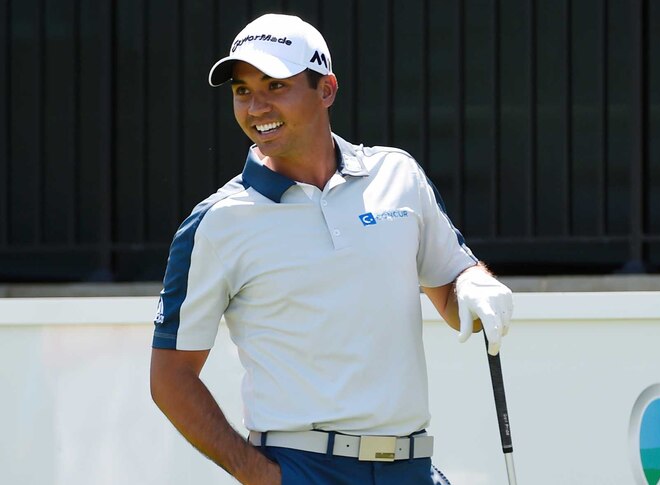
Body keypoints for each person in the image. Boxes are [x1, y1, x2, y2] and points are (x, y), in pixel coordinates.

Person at [150, 13, 513, 485]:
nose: (256, 107)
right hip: (304, 467)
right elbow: (170, 377)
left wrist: (474, 284)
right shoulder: (218, 222)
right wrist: (261, 477)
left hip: (411, 466)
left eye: (275, 85)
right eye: (242, 91)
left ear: (326, 90)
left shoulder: (397, 176)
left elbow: (449, 286)